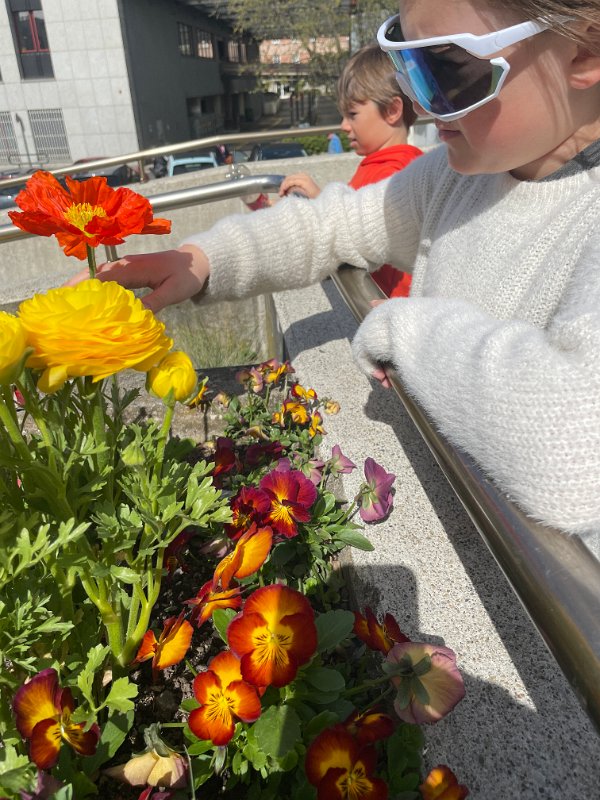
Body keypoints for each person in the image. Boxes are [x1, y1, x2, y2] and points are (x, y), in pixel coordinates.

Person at [68, 0, 600, 557]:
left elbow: (572, 446)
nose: (421, 103)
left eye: (447, 68)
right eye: (407, 64)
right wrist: (204, 260)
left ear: (584, 49)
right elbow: (334, 223)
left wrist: (404, 331)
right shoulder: (455, 178)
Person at [279, 43, 424, 297]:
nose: (344, 126)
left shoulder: (392, 176)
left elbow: (359, 237)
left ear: (392, 110)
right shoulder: (390, 165)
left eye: (352, 114)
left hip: (386, 304)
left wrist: (320, 201)